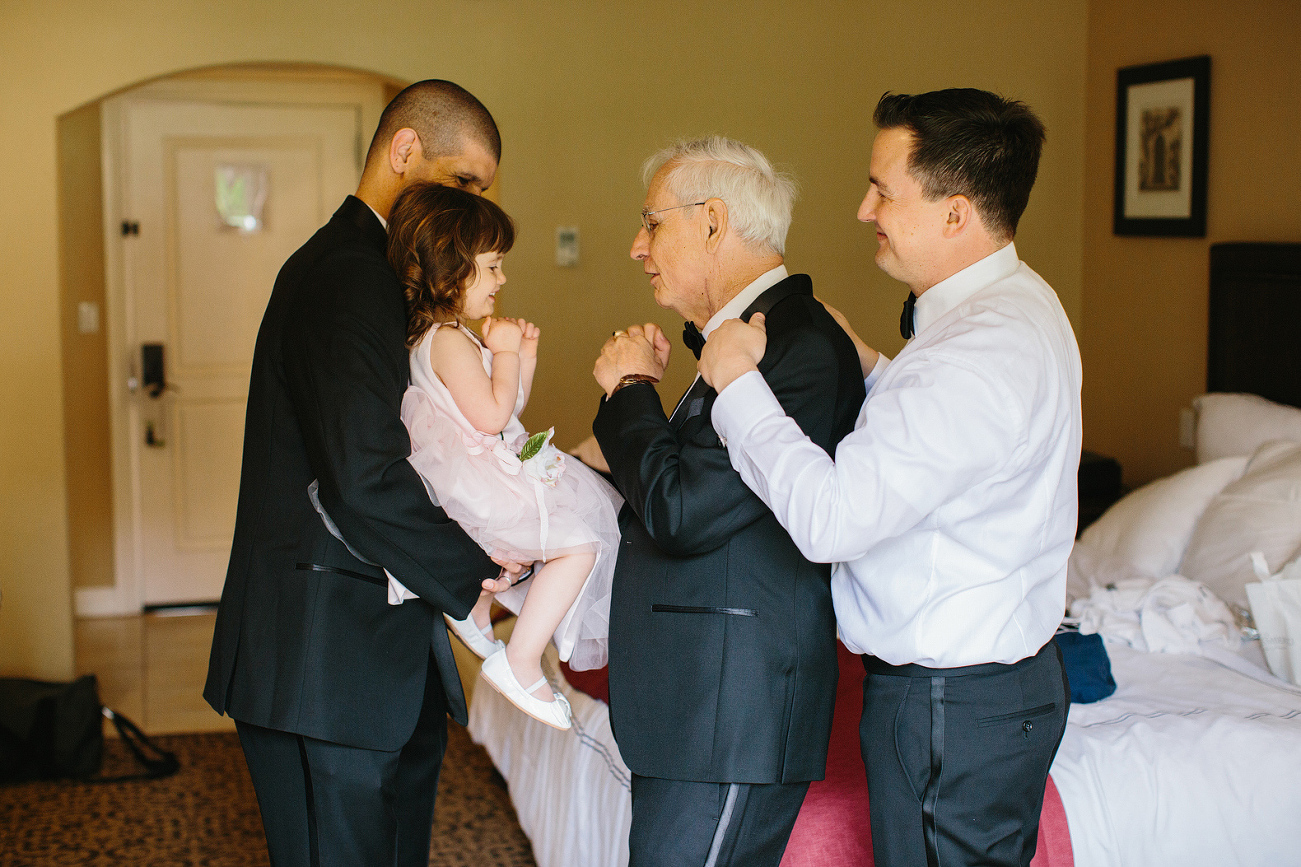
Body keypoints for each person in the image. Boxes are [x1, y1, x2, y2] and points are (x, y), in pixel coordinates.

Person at [698, 89, 1081, 867]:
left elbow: (833, 518)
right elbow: (952, 449)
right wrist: (878, 368)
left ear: (955, 214)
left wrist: (737, 386)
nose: (862, 207)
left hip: (950, 706)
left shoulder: (973, 353)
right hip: (987, 693)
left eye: (884, 189)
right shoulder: (1018, 305)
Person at [204, 80, 519, 867]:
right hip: (322, 659)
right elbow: (363, 473)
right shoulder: (350, 275)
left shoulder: (384, 278)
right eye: (463, 184)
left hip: (367, 654)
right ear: (404, 150)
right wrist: (473, 568)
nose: (471, 209)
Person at [591, 137, 866, 867]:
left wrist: (627, 391)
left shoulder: (795, 345)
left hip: (729, 713)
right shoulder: (745, 339)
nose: (635, 245)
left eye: (651, 223)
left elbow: (682, 509)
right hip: (699, 707)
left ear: (712, 221)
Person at [384, 182, 621, 730]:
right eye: (492, 268)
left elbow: (504, 408)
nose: (502, 280)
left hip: (474, 476)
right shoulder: (446, 339)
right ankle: (519, 662)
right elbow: (492, 418)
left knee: (552, 546)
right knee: (579, 544)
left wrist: (521, 358)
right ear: (451, 272)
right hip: (474, 483)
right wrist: (505, 351)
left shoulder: (438, 337)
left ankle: (469, 609)